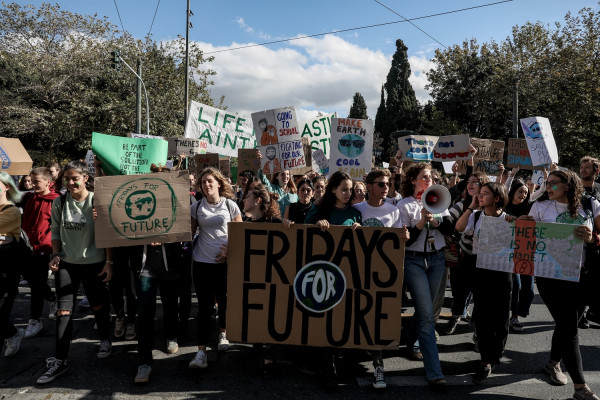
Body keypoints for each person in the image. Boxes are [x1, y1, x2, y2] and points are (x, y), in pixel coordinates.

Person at [520, 170, 600, 400]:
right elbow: (526, 238)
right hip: (550, 277)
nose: (548, 187)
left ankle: (553, 363)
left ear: (567, 185)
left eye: (553, 183)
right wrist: (519, 224)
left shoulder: (590, 204)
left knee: (567, 324)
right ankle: (580, 387)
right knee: (569, 327)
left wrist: (592, 238)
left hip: (583, 276)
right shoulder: (540, 207)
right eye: (547, 183)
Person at [37, 160, 113, 384]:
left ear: (85, 178)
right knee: (63, 311)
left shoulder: (97, 201)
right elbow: (55, 231)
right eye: (67, 179)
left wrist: (109, 262)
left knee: (98, 305)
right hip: (67, 263)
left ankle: (105, 339)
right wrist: (56, 255)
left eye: (75, 178)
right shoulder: (60, 202)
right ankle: (60, 359)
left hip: (94, 262)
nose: (70, 183)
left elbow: (108, 232)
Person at [397, 163, 454, 387]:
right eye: (424, 177)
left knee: (425, 310)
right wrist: (421, 222)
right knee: (428, 316)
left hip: (438, 259)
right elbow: (406, 241)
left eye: (431, 177)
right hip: (414, 261)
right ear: (413, 180)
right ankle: (434, 371)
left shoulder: (437, 199)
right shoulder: (404, 205)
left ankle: (410, 343)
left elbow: (450, 229)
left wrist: (436, 221)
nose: (428, 180)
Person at [304, 171, 361, 391]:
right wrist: (318, 223)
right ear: (334, 190)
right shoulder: (321, 209)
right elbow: (304, 230)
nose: (348, 193)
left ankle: (340, 360)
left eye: (350, 189)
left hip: (346, 272)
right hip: (323, 271)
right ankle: (327, 367)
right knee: (324, 315)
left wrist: (360, 231)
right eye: (344, 189)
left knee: (342, 316)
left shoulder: (355, 213)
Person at [354, 169, 409, 389]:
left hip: (382, 274)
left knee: (377, 317)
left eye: (387, 184)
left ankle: (378, 366)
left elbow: (398, 242)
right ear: (368, 187)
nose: (386, 187)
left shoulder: (394, 211)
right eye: (380, 184)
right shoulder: (356, 209)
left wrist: (403, 238)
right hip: (357, 270)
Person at [455, 182, 511, 384]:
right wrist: (471, 206)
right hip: (481, 271)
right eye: (480, 194)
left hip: (503, 272)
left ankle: (497, 351)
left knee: (501, 315)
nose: (480, 196)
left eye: (485, 194)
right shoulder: (476, 216)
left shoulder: (508, 219)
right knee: (482, 316)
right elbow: (459, 227)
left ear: (497, 198)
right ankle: (486, 360)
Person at [189, 167, 243, 369]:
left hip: (225, 263)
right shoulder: (196, 207)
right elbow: (189, 234)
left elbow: (239, 233)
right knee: (203, 307)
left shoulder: (230, 205)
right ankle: (200, 352)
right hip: (202, 263)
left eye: (210, 181)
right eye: (203, 182)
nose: (206, 185)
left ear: (219, 183)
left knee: (224, 300)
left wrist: (228, 250)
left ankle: (223, 332)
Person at [444, 172, 489, 335]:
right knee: (459, 291)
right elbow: (449, 221)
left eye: (475, 182)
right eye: (468, 182)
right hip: (462, 256)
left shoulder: (489, 207)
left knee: (481, 296)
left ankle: (478, 332)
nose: (470, 184)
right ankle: (456, 316)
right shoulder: (462, 204)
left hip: (483, 259)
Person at [18, 167, 59, 338]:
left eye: (36, 182)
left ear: (48, 182)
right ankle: (51, 298)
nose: (32, 185)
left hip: (44, 248)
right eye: (31, 181)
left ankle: (35, 320)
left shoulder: (57, 200)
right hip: (25, 246)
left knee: (37, 283)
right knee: (31, 279)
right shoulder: (28, 197)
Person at [503, 179, 534, 332]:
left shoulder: (531, 209)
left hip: (526, 252)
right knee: (516, 285)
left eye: (526, 192)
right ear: (513, 192)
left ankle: (519, 313)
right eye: (520, 191)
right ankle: (513, 316)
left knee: (528, 287)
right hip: (508, 252)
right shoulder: (503, 207)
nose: (523, 194)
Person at [0, 171, 25, 357]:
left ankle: (13, 334)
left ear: (6, 187)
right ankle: (14, 333)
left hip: (5, 272)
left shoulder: (12, 211)